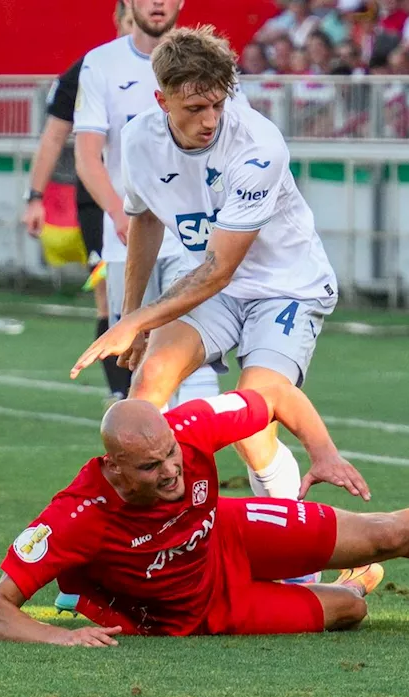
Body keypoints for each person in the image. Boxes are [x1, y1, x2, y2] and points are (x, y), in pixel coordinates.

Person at [0, 385, 409, 643]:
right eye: (150, 469)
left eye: (172, 456)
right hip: (196, 615)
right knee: (350, 611)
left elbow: (274, 396)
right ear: (114, 470)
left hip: (229, 531)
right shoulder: (73, 517)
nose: (171, 471)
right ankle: (342, 583)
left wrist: (323, 451)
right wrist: (65, 638)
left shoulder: (191, 429)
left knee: (389, 532)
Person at [71, 26, 338, 507]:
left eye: (218, 104)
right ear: (162, 100)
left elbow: (219, 268)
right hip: (214, 289)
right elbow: (146, 219)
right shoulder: (136, 141)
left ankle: (295, 556)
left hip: (284, 288)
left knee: (249, 420)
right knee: (148, 381)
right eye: (195, 108)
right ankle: (138, 528)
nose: (210, 119)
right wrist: (133, 318)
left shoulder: (258, 148)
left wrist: (136, 318)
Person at [72, 0, 220, 408]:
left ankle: (193, 466)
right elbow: (87, 155)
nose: (158, 3)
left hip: (190, 237)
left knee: (194, 352)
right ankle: (160, 467)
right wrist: (121, 215)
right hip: (127, 237)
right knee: (139, 357)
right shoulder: (100, 64)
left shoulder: (204, 59)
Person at [21, 0, 133, 405]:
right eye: (130, 19)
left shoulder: (174, 63)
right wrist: (35, 197)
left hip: (164, 202)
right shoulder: (90, 68)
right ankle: (121, 394)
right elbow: (54, 136)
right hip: (99, 203)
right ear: (119, 20)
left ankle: (168, 387)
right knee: (108, 291)